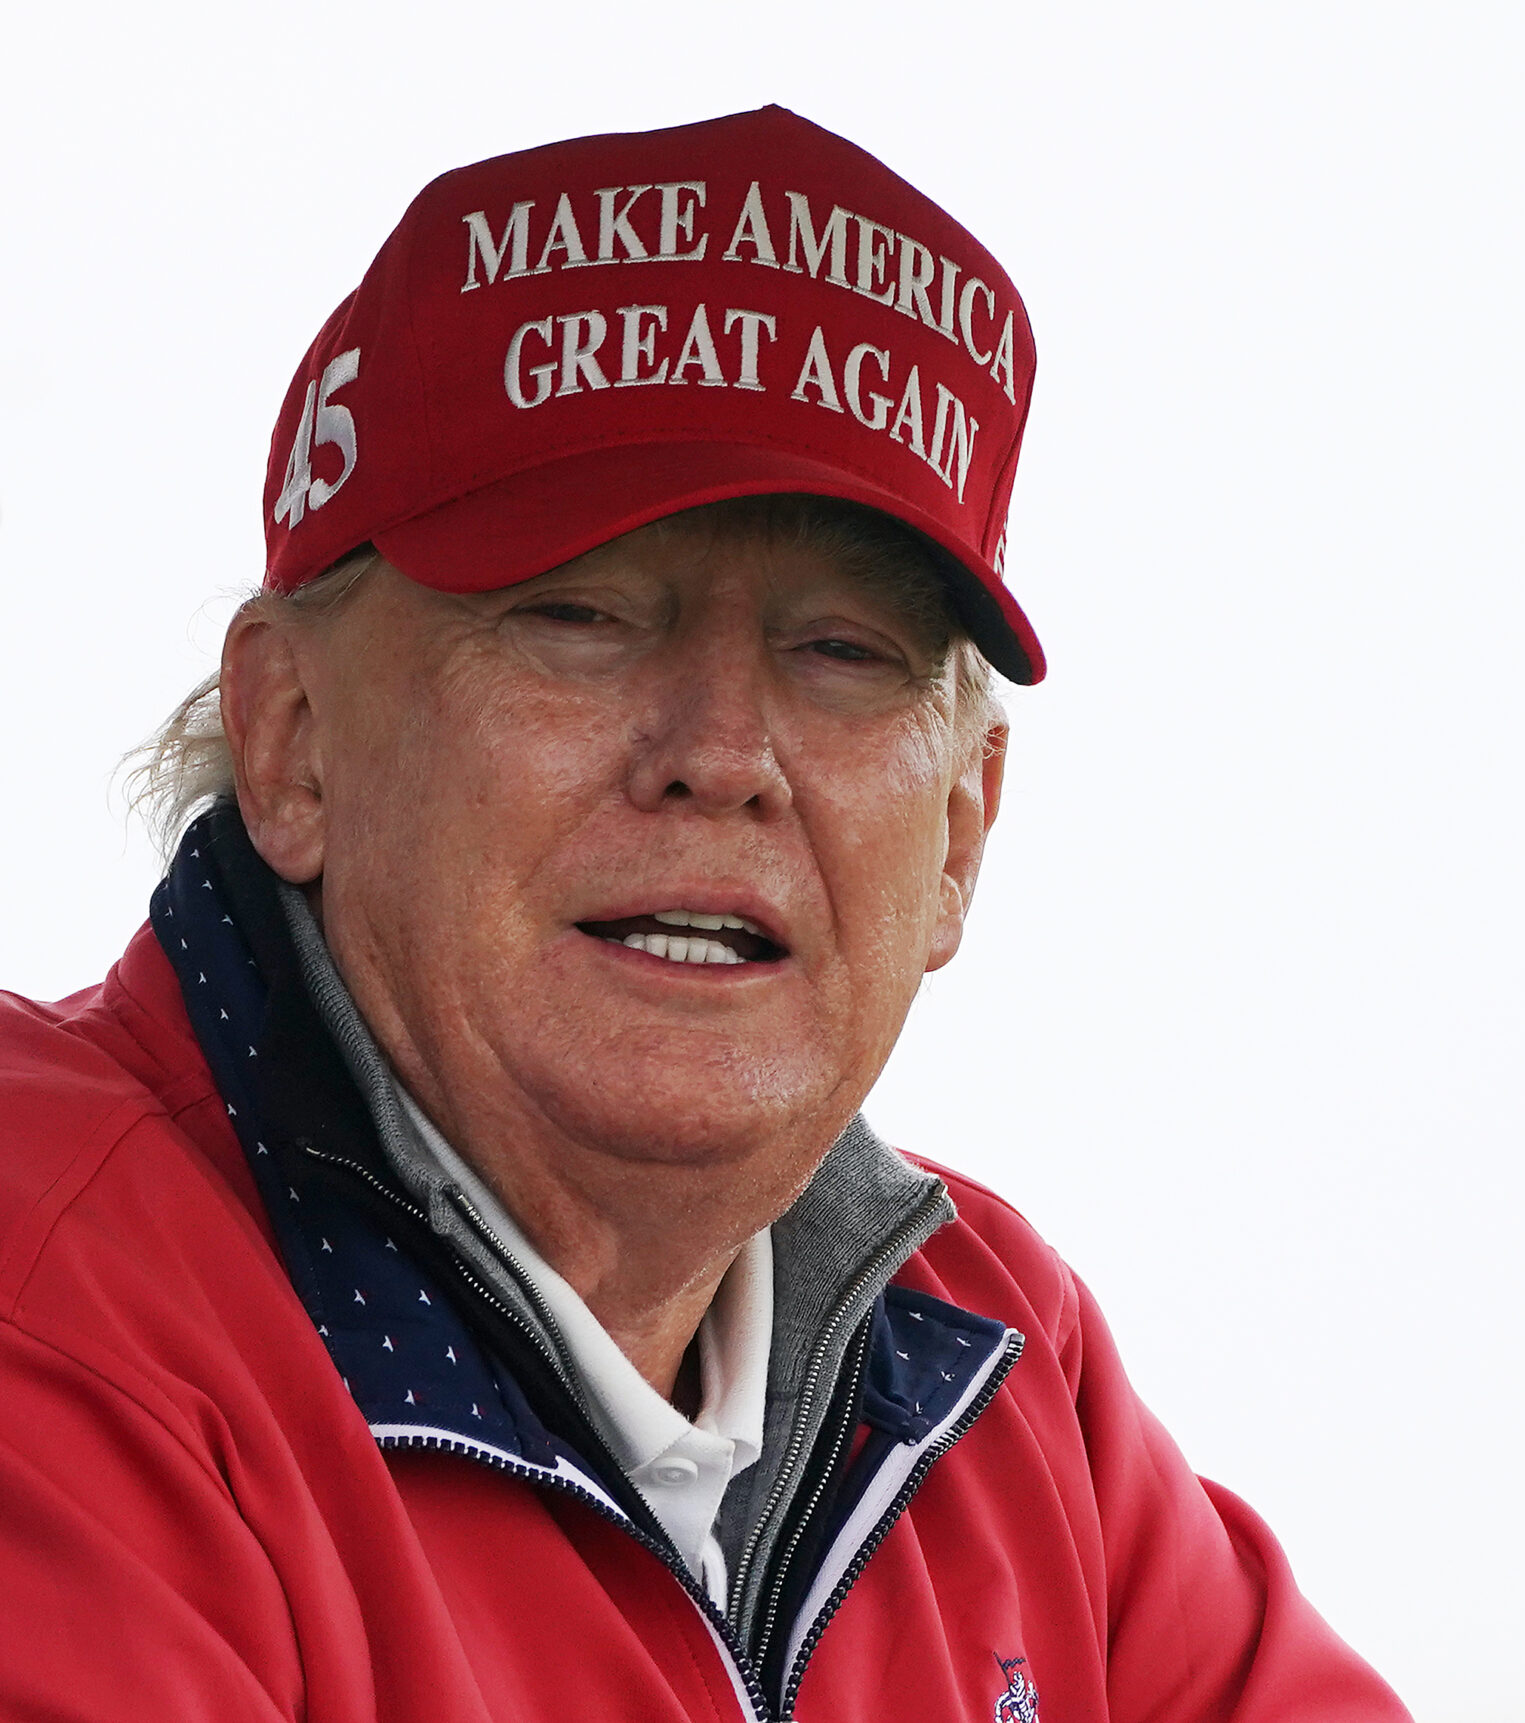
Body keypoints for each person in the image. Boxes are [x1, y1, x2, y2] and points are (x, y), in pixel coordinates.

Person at [0, 107, 1406, 1723]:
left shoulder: (996, 1361)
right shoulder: (51, 1304)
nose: (722, 758)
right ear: (292, 738)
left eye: (843, 653)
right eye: (581, 615)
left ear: (959, 832)